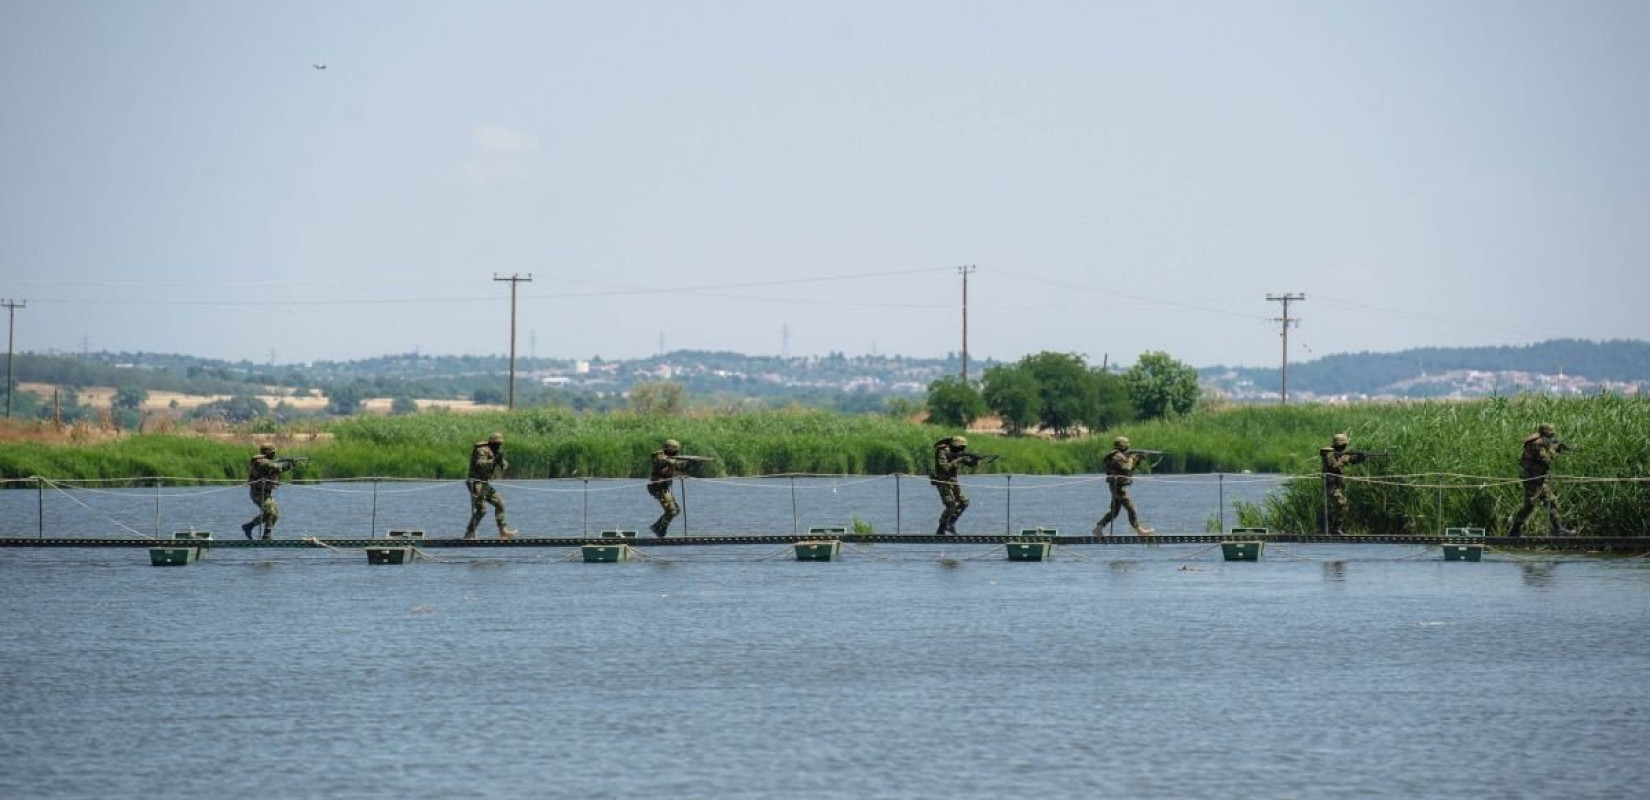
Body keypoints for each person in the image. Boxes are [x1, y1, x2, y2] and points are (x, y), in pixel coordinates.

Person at [1510, 423, 1572, 537]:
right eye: (1551, 434)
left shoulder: (1542, 442)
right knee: (1529, 506)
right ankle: (1515, 529)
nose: (1552, 436)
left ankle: (1559, 528)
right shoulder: (1538, 443)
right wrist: (1554, 450)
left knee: (1550, 502)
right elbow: (1545, 459)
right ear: (1546, 433)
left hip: (1540, 479)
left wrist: (1555, 447)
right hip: (1533, 479)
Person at [1093, 436, 1155, 535]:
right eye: (1127, 446)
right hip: (1118, 487)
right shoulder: (1117, 456)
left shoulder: (1120, 456)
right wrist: (1132, 458)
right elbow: (1127, 468)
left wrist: (1138, 459)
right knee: (1131, 508)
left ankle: (1098, 528)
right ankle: (1139, 530)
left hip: (1117, 486)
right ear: (1123, 446)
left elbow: (1129, 469)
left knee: (1114, 512)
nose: (1128, 448)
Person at [464, 432, 516, 540]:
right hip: (475, 483)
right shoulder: (481, 450)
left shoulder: (495, 451)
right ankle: (468, 535)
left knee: (500, 503)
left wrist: (502, 463)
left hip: (484, 483)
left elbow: (504, 465)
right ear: (491, 442)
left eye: (500, 443)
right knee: (481, 510)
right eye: (497, 443)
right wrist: (494, 460)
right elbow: (480, 464)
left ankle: (503, 532)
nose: (498, 445)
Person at [242, 443, 294, 540]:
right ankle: (264, 534)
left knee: (273, 513)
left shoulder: (267, 462)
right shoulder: (261, 462)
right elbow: (276, 467)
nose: (275, 454)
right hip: (258, 493)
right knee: (271, 512)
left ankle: (253, 529)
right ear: (268, 453)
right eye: (273, 453)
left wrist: (289, 465)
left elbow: (276, 470)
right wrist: (287, 465)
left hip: (265, 493)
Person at [1320, 433, 1368, 536]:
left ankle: (1336, 528)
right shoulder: (1328, 453)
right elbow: (1332, 466)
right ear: (1340, 444)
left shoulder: (1338, 454)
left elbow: (1350, 460)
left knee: (1340, 506)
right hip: (1331, 486)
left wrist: (1358, 458)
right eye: (1344, 444)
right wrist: (1344, 460)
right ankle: (1337, 529)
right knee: (1343, 505)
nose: (1345, 446)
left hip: (1336, 486)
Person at [930, 435, 975, 535]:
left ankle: (950, 524)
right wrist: (958, 460)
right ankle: (941, 529)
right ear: (955, 446)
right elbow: (944, 468)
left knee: (964, 502)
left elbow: (969, 463)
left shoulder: (956, 452)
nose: (962, 450)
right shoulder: (942, 451)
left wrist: (974, 460)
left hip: (953, 482)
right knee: (951, 505)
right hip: (943, 481)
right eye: (960, 447)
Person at [648, 438, 690, 537]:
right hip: (659, 487)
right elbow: (663, 461)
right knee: (671, 511)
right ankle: (660, 528)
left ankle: (657, 526)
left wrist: (689, 464)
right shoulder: (659, 456)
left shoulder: (671, 459)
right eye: (675, 451)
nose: (676, 453)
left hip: (665, 487)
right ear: (670, 449)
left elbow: (680, 468)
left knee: (677, 510)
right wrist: (673, 462)